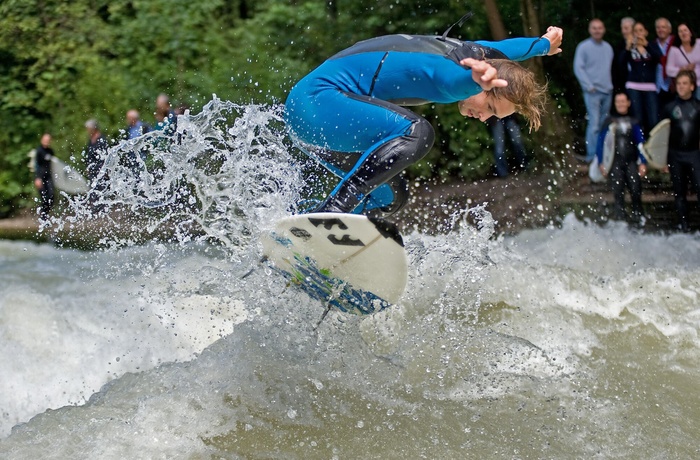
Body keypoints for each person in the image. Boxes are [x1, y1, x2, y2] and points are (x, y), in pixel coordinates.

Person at [284, 24, 563, 216]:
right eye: (489, 105)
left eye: (493, 115)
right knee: (418, 132)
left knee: (390, 198)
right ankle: (330, 214)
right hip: (317, 104)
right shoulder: (452, 75)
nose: (484, 117)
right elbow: (456, 82)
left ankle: (301, 227)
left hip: (323, 119)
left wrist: (542, 45)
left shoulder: (471, 51)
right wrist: (474, 81)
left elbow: (505, 49)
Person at [595, 92, 647, 221]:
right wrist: (601, 162)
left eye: (623, 101)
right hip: (615, 163)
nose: (621, 104)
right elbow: (601, 143)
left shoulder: (634, 122)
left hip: (631, 162)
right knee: (618, 193)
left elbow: (641, 143)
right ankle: (620, 220)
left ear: (628, 103)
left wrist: (643, 162)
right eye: (618, 101)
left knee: (635, 190)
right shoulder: (608, 122)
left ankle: (638, 218)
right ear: (615, 103)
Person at [660, 70, 700, 232]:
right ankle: (684, 227)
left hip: (694, 155)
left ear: (692, 86)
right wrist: (662, 160)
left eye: (685, 83)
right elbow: (661, 135)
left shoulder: (698, 106)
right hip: (675, 156)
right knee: (679, 193)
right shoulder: (669, 107)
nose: (681, 86)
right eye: (679, 83)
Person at [573, 19, 614, 163]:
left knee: (604, 125)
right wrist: (588, 85)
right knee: (594, 124)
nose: (597, 30)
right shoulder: (583, 47)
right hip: (593, 92)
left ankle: (603, 155)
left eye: (600, 28)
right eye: (594, 28)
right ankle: (592, 156)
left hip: (607, 91)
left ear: (603, 30)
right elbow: (578, 68)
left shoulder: (608, 47)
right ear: (590, 30)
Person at [624, 21, 662, 135]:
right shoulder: (630, 48)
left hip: (650, 86)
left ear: (646, 32)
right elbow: (620, 63)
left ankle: (652, 145)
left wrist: (647, 45)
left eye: (641, 30)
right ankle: (639, 146)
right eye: (636, 31)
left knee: (653, 119)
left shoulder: (652, 45)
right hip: (634, 86)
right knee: (637, 118)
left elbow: (659, 59)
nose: (638, 33)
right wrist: (627, 48)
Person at [666, 23, 700, 100]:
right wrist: (683, 69)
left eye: (685, 30)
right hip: (685, 85)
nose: (683, 33)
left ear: (690, 32)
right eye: (680, 31)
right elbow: (668, 70)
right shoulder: (674, 50)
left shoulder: (699, 44)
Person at [653, 18, 676, 112]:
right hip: (657, 85)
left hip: (672, 85)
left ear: (669, 30)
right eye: (658, 27)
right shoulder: (653, 44)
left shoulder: (675, 43)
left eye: (663, 27)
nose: (660, 30)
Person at [33, 133, 55, 218]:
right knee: (44, 198)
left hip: (48, 177)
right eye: (45, 140)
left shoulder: (51, 151)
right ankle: (43, 217)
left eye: (48, 140)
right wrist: (37, 178)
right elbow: (36, 165)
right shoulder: (39, 151)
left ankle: (46, 215)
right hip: (40, 178)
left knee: (51, 196)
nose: (46, 142)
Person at [613, 17, 636, 94]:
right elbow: (618, 66)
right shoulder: (619, 46)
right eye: (622, 28)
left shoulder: (641, 44)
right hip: (624, 84)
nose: (623, 31)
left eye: (626, 28)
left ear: (633, 29)